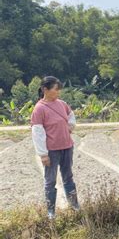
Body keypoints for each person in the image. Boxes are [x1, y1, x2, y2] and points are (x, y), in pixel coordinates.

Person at [31, 76, 80, 220]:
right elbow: (37, 132)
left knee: (68, 177)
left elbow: (71, 116)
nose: (58, 92)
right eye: (56, 89)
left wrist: (70, 128)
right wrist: (43, 154)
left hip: (67, 147)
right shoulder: (39, 108)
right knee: (50, 180)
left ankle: (74, 206)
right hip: (51, 151)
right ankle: (51, 211)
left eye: (59, 89)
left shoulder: (62, 104)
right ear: (45, 89)